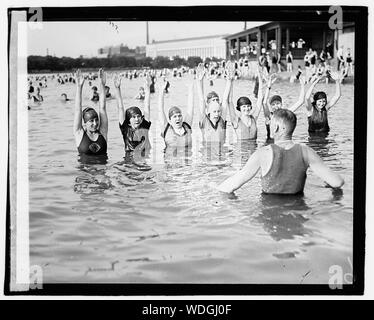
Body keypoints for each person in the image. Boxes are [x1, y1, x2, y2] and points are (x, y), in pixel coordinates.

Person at [214, 109, 344, 194]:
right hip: (297, 213)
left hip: (269, 214)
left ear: (276, 128)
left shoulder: (262, 153)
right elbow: (337, 182)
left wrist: (214, 187)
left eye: (271, 124)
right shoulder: (306, 151)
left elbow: (231, 186)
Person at [223, 61, 265, 141]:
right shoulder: (235, 120)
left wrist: (260, 79)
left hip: (254, 151)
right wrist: (231, 81)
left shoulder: (254, 118)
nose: (247, 108)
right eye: (244, 106)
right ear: (239, 108)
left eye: (248, 106)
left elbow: (260, 100)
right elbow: (230, 101)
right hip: (241, 152)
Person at [114, 73, 151, 156]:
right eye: (134, 117)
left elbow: (147, 107)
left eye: (138, 116)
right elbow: (120, 108)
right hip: (129, 161)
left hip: (143, 160)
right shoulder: (125, 129)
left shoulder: (144, 126)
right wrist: (117, 88)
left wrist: (148, 88)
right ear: (129, 121)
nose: (137, 119)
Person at [74, 69, 108, 156]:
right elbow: (78, 109)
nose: (95, 123)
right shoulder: (79, 133)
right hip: (86, 169)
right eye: (91, 121)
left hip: (102, 169)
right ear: (84, 123)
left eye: (96, 120)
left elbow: (102, 108)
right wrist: (79, 87)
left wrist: (102, 85)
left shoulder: (102, 132)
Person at [263, 72, 306, 140]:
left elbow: (300, 101)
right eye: (273, 104)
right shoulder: (269, 116)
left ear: (281, 104)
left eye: (278, 103)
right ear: (270, 106)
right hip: (270, 143)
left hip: (283, 142)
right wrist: (269, 87)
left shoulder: (285, 114)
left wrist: (303, 86)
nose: (276, 106)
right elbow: (264, 102)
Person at [158, 74, 194, 151]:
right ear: (170, 120)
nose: (178, 118)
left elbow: (190, 109)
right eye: (174, 116)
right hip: (171, 162)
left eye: (179, 115)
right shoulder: (166, 128)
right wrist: (161, 91)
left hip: (187, 162)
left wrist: (190, 89)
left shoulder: (186, 126)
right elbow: (160, 110)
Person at [304, 69, 345, 133]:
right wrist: (316, 81)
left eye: (324, 101)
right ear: (315, 101)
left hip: (325, 137)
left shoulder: (325, 108)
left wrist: (337, 81)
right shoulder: (310, 109)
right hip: (313, 139)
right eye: (319, 101)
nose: (322, 103)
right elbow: (307, 97)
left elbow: (337, 96)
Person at [196, 63, 227, 144]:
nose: (216, 102)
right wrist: (199, 81)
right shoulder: (204, 119)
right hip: (207, 152)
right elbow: (201, 100)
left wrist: (230, 81)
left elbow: (225, 100)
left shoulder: (221, 118)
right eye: (213, 100)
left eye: (217, 100)